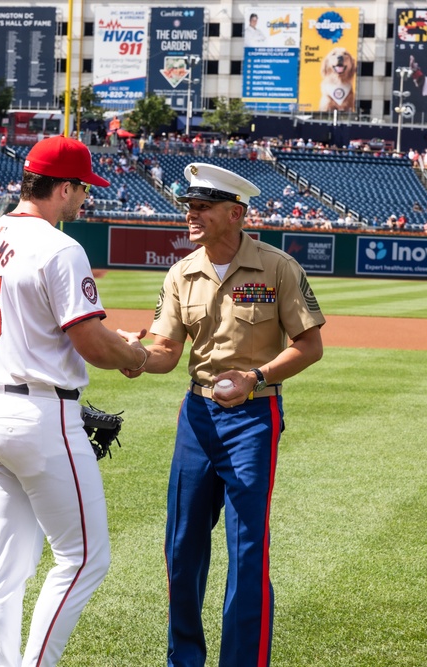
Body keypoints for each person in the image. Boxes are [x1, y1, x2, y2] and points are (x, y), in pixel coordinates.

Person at [121, 163, 325, 667]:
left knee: (248, 548)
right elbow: (167, 351)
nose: (192, 214)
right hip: (197, 417)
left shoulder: (278, 267)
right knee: (183, 546)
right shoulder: (180, 272)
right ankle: (184, 660)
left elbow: (310, 346)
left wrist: (256, 377)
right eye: (190, 206)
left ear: (235, 214)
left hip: (253, 418)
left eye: (203, 207)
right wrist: (135, 357)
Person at [0, 135, 148, 667]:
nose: (85, 198)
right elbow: (91, 342)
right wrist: (134, 355)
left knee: (9, 561)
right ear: (62, 189)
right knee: (84, 557)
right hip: (38, 414)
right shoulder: (59, 247)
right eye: (82, 189)